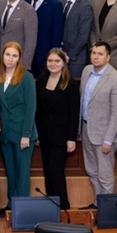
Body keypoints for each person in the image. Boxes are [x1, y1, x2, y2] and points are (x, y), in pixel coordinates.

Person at [0, 41, 37, 217]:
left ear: (19, 58)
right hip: (4, 133)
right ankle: (11, 204)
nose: (10, 59)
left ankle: (21, 208)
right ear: (2, 56)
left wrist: (26, 134)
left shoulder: (26, 77)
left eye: (14, 55)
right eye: (7, 55)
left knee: (22, 172)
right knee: (10, 172)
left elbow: (31, 107)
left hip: (22, 134)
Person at [80, 41, 117, 203]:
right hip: (86, 130)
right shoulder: (86, 71)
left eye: (100, 54)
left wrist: (109, 139)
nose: (96, 56)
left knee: (105, 176)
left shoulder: (116, 79)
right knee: (91, 170)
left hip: (104, 136)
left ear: (108, 57)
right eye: (93, 53)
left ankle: (106, 210)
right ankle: (97, 203)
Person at [35, 48, 79, 209]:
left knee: (55, 170)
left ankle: (63, 207)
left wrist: (71, 138)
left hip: (62, 136)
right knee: (47, 170)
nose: (53, 64)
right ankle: (51, 206)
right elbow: (38, 109)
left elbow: (75, 112)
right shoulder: (41, 80)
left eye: (57, 61)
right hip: (44, 135)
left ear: (63, 63)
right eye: (50, 61)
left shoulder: (70, 83)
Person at [23, 0, 64, 76]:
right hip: (26, 57)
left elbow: (56, 35)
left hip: (44, 58)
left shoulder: (55, 4)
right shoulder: (24, 1)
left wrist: (52, 59)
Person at [0, 0, 37, 70]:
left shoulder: (28, 10)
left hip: (18, 61)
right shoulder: (0, 5)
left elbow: (31, 41)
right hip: (1, 59)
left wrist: (25, 65)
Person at [61, 0, 94, 78]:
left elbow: (83, 36)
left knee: (75, 90)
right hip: (59, 56)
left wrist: (69, 55)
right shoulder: (60, 3)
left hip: (76, 59)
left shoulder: (85, 6)